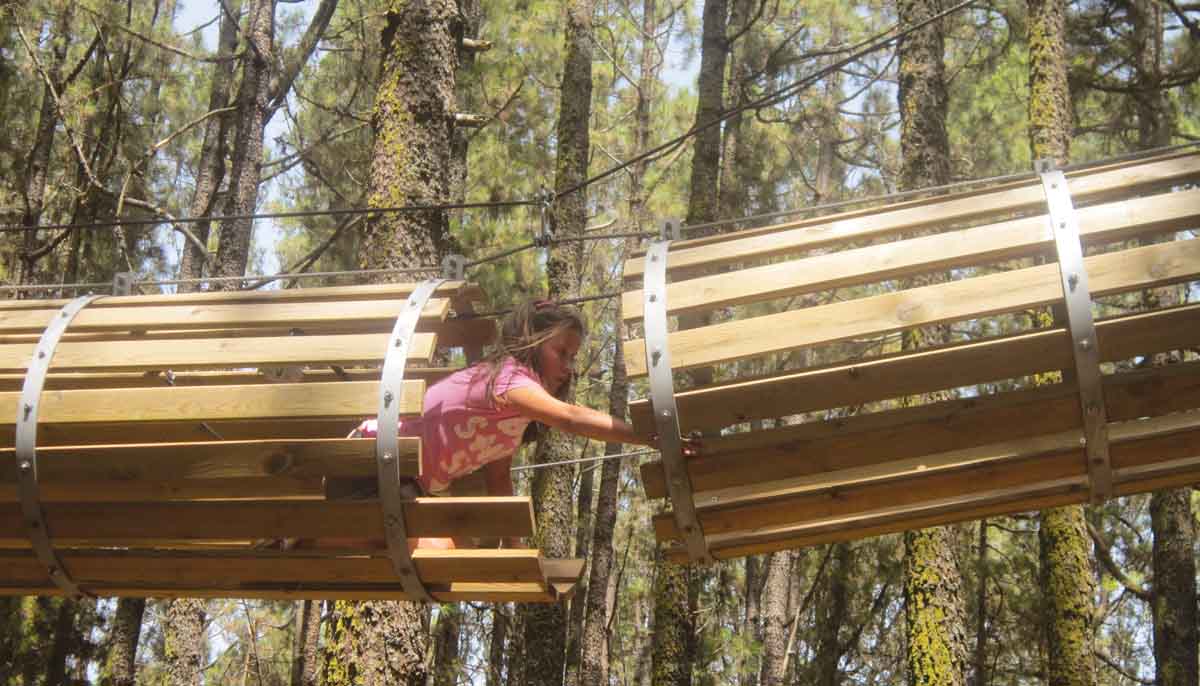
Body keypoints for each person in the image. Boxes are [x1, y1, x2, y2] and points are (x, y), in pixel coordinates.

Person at [347, 299, 690, 549]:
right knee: (435, 553)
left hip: (401, 486)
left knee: (445, 555)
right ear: (533, 342)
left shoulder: (513, 417)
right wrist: (649, 436)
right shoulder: (509, 380)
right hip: (372, 463)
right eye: (562, 353)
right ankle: (303, 534)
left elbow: (498, 480)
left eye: (573, 357)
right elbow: (571, 417)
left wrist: (515, 550)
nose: (569, 367)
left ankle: (311, 537)